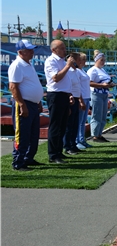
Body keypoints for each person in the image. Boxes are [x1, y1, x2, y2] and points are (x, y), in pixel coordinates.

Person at [8, 40, 44, 171]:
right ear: (20, 52)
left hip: (32, 103)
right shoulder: (17, 65)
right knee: (22, 134)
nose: (32, 52)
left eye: (32, 49)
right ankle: (18, 162)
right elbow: (13, 87)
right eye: (28, 50)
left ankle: (28, 158)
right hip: (24, 103)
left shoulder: (28, 64)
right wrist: (22, 104)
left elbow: (31, 85)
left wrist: (38, 101)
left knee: (33, 134)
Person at [45, 39, 76, 164]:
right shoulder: (51, 61)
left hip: (63, 95)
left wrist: (69, 94)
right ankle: (53, 154)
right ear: (54, 50)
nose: (65, 50)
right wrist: (68, 66)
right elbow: (56, 78)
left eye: (64, 48)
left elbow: (65, 81)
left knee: (62, 126)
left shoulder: (62, 61)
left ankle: (59, 152)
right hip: (55, 95)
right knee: (55, 126)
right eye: (62, 48)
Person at [87, 52, 115, 143]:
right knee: (97, 115)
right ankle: (95, 135)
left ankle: (99, 134)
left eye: (104, 60)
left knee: (103, 115)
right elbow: (89, 82)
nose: (103, 62)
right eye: (101, 60)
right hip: (96, 94)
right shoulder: (92, 70)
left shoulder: (102, 70)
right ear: (96, 60)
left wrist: (109, 84)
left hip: (104, 94)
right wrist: (101, 85)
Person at [63, 52, 85, 155]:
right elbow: (68, 86)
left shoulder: (76, 71)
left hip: (77, 99)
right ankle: (67, 146)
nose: (80, 62)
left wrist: (80, 100)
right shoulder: (69, 72)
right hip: (71, 100)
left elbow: (78, 87)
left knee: (75, 124)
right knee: (69, 124)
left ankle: (73, 144)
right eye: (78, 60)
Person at [76, 53, 92, 150]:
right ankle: (77, 140)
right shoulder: (77, 71)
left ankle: (82, 139)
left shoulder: (82, 71)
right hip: (82, 97)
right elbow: (77, 86)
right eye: (83, 59)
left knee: (83, 121)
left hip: (87, 97)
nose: (85, 61)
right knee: (79, 121)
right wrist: (80, 99)